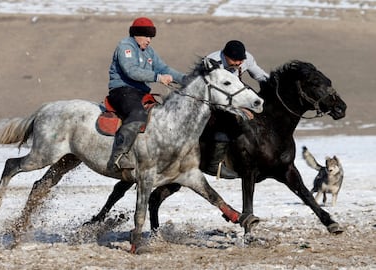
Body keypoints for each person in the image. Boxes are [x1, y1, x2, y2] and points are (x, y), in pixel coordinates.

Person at [107, 17, 185, 172]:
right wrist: (157, 78)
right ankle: (119, 156)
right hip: (122, 91)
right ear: (136, 34)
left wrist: (187, 80)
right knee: (137, 114)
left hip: (140, 93)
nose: (149, 40)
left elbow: (164, 68)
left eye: (151, 37)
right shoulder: (125, 46)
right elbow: (131, 71)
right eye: (147, 36)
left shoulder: (149, 51)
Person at [203, 40, 269, 179]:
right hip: (214, 101)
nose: (239, 63)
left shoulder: (247, 59)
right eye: (235, 60)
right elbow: (213, 95)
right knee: (226, 121)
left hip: (237, 93)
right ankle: (214, 165)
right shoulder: (212, 62)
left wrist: (275, 86)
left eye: (241, 60)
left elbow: (260, 76)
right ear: (225, 56)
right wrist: (238, 109)